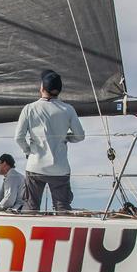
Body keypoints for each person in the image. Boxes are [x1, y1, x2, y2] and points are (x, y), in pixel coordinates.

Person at [15, 70, 85, 212]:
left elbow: (19, 138)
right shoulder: (68, 109)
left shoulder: (29, 109)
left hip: (36, 166)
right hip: (60, 168)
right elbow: (80, 136)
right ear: (59, 90)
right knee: (62, 208)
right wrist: (65, 137)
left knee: (31, 207)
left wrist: (28, 151)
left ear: (42, 88)